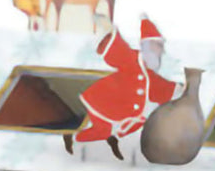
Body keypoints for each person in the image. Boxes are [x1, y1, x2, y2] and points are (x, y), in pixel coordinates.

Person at [76, 16, 177, 158]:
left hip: (127, 109)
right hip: (104, 101)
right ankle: (76, 141)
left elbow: (159, 85)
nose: (162, 51)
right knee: (102, 130)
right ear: (149, 45)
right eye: (159, 46)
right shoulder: (131, 59)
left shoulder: (148, 71)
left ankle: (116, 142)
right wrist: (109, 31)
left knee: (138, 122)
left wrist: (178, 89)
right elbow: (117, 50)